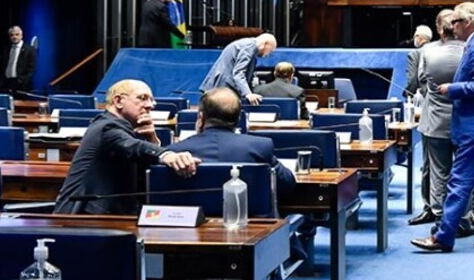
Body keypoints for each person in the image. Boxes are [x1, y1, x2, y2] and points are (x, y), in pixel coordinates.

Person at [411, 2, 474, 252]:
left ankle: (442, 237)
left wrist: (451, 89)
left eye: (455, 21)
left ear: (467, 22)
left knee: (458, 182)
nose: (451, 26)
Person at [53, 80, 199, 215]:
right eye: (142, 98)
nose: (151, 105)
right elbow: (131, 146)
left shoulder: (124, 128)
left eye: (151, 99)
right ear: (118, 101)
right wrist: (167, 155)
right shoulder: (107, 126)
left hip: (103, 215)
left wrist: (152, 140)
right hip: (82, 218)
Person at [409, 10, 474, 236]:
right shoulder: (469, 50)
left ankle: (441, 219)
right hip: (465, 121)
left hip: (435, 120)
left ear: (439, 30)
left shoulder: (426, 51)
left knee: (439, 174)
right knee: (464, 174)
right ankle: (465, 219)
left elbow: (421, 83)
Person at [165, 87, 295, 198]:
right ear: (239, 118)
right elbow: (287, 184)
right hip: (251, 224)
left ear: (200, 117)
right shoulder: (260, 147)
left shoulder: (175, 152)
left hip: (192, 224)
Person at [199, 33, 277, 104]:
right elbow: (238, 73)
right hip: (223, 88)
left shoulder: (248, 45)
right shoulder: (250, 46)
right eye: (271, 50)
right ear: (265, 44)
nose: (268, 54)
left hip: (222, 87)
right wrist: (248, 94)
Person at [0, 25, 36, 94]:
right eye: (12, 35)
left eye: (17, 34)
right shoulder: (7, 49)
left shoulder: (29, 50)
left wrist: (22, 80)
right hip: (7, 83)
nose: (14, 37)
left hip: (21, 84)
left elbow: (32, 69)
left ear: (21, 36)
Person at [403, 25, 432, 98]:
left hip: (422, 97)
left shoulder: (414, 54)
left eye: (414, 37)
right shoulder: (437, 51)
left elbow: (413, 79)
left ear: (418, 37)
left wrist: (407, 93)